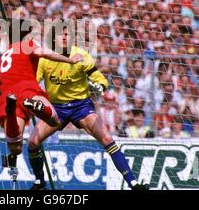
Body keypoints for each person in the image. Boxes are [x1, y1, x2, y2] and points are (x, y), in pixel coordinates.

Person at [27, 25, 149, 190]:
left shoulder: (82, 56)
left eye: (67, 34)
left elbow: (101, 80)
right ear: (52, 39)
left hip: (81, 107)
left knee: (107, 138)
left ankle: (133, 184)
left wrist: (101, 86)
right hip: (57, 109)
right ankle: (39, 182)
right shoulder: (45, 59)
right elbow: (32, 82)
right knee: (32, 142)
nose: (64, 38)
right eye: (60, 35)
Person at [0, 19, 84, 167]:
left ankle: (10, 113)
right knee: (55, 121)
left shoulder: (4, 56)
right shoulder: (27, 44)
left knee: (15, 147)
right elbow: (44, 53)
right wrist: (69, 60)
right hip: (26, 88)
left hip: (7, 95)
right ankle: (38, 107)